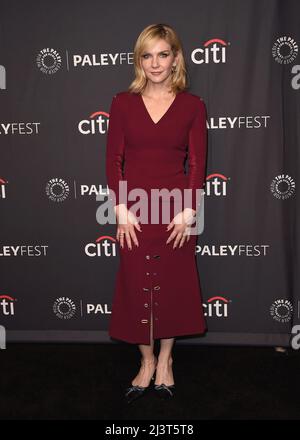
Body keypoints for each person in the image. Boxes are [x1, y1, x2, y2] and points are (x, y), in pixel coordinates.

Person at [105, 23, 208, 403]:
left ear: (176, 58)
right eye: (147, 55)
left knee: (172, 286)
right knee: (136, 285)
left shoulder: (193, 106)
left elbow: (197, 162)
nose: (155, 63)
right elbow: (113, 159)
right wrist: (119, 208)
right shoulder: (122, 103)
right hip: (133, 210)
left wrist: (188, 210)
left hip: (175, 210)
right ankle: (145, 361)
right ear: (139, 60)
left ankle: (166, 360)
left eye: (163, 54)